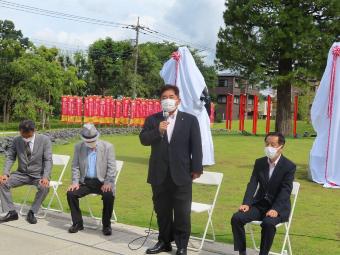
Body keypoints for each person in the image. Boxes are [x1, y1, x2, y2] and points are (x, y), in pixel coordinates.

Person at [140, 85, 203, 255]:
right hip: (159, 174)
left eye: (171, 96)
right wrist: (158, 131)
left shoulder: (190, 120)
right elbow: (143, 139)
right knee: (162, 211)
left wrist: (197, 168)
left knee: (182, 212)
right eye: (164, 97)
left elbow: (196, 146)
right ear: (160, 101)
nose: (168, 100)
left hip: (182, 174)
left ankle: (182, 245)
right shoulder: (153, 120)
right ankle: (164, 242)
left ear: (178, 100)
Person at [231, 132, 296, 255]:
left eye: (273, 144)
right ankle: (241, 252)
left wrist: (276, 209)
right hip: (259, 205)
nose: (269, 147)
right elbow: (252, 184)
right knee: (237, 218)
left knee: (268, 223)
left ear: (281, 146)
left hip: (278, 208)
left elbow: (286, 190)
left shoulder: (289, 166)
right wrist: (246, 203)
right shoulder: (260, 162)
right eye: (267, 144)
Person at [67, 123, 116, 236]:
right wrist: (75, 182)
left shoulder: (108, 147)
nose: (90, 143)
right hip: (85, 182)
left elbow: (112, 168)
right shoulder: (78, 147)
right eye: (88, 142)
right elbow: (75, 166)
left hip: (103, 182)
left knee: (109, 195)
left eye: (92, 141)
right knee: (71, 193)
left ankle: (106, 225)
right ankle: (77, 223)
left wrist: (108, 183)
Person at [0, 119, 52, 224]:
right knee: (2, 183)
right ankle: (11, 212)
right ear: (20, 131)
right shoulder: (17, 140)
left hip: (38, 175)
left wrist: (45, 177)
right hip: (21, 174)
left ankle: (32, 212)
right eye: (23, 135)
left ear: (34, 131)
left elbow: (48, 160)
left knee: (44, 187)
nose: (25, 138)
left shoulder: (45, 140)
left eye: (28, 136)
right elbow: (10, 157)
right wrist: (5, 173)